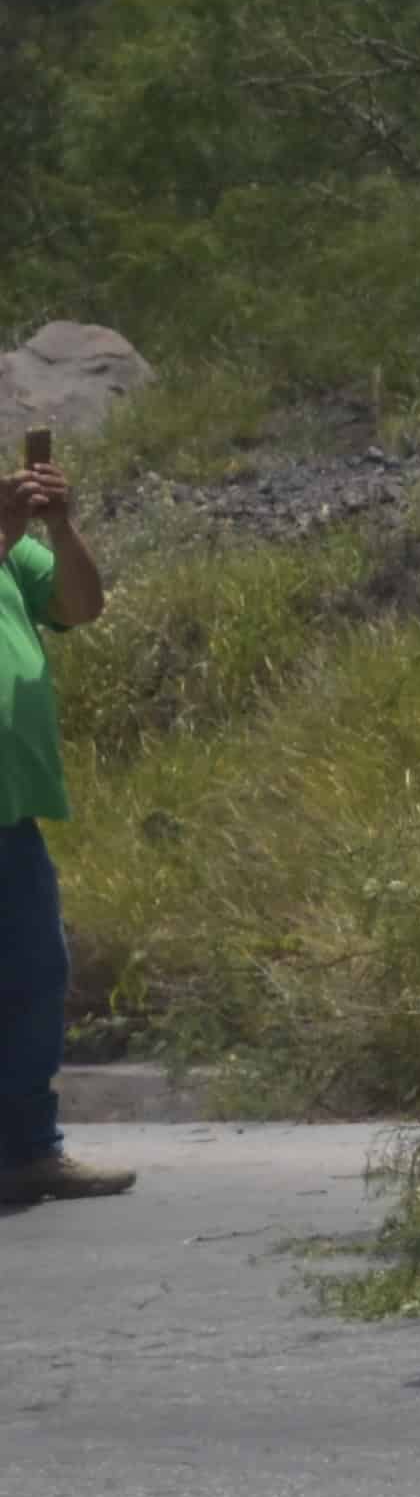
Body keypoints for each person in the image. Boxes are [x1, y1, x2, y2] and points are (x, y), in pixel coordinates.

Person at [2, 426, 122, 1209]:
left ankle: (27, 1150)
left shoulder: (16, 552)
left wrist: (57, 525)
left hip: (11, 813)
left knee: (36, 976)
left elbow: (83, 605)